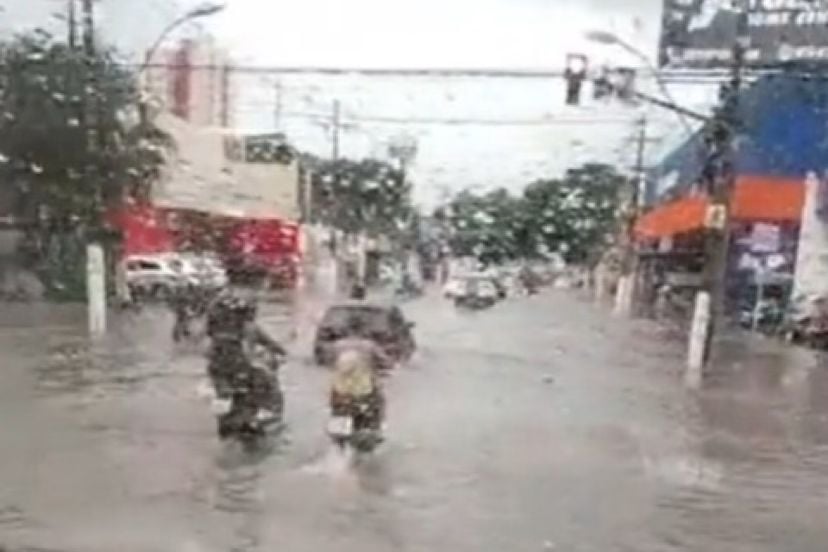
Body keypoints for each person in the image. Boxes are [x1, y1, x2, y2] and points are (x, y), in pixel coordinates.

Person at [329, 316, 391, 430]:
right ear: (363, 329)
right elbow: (385, 361)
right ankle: (377, 427)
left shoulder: (337, 345)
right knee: (379, 401)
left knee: (336, 406)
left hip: (341, 388)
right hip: (364, 388)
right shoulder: (369, 345)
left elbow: (329, 362)